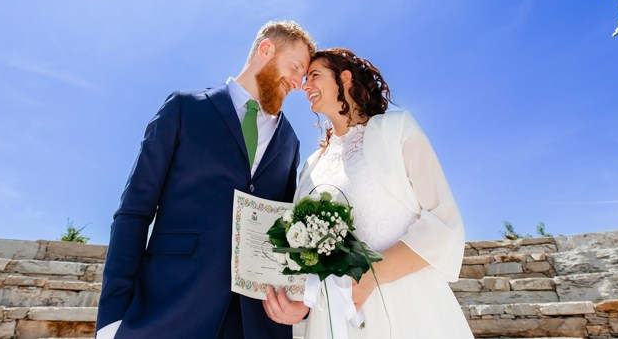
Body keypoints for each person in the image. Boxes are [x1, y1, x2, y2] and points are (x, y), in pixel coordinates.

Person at [96, 21, 316, 339]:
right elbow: (134, 212)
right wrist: (111, 318)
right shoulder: (184, 109)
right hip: (170, 310)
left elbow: (288, 233)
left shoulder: (290, 141)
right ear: (266, 50)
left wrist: (301, 303)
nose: (298, 83)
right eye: (295, 68)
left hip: (255, 323)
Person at [262, 48, 474, 338]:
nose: (304, 86)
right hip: (331, 321)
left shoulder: (397, 130)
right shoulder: (311, 166)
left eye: (314, 76)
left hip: (405, 306)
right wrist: (302, 304)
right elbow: (302, 252)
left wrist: (372, 274)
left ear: (345, 77)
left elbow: (444, 223)